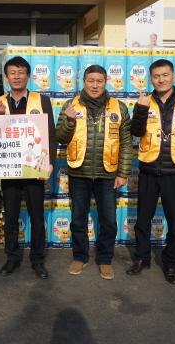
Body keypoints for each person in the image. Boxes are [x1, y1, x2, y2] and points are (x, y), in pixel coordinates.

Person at [126, 59, 175, 284]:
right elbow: (135, 132)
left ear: (174, 76)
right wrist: (141, 110)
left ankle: (171, 263)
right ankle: (142, 258)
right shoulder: (144, 101)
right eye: (156, 76)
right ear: (151, 79)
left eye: (165, 75)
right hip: (149, 171)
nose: (161, 80)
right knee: (143, 220)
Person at [56, 65, 133, 280]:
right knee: (78, 219)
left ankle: (105, 259)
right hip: (79, 172)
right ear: (84, 82)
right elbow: (60, 137)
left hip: (108, 174)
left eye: (99, 81)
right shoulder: (70, 105)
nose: (95, 85)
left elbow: (126, 142)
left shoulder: (119, 107)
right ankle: (80, 257)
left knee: (108, 221)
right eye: (91, 80)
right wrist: (69, 120)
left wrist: (123, 172)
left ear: (106, 82)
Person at [0, 56, 57, 279]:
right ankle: (12, 257)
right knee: (10, 216)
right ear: (6, 77)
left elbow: (50, 134)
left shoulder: (42, 100)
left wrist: (50, 162)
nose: (17, 76)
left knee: (37, 217)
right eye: (12, 72)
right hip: (9, 168)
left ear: (28, 76)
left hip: (34, 168)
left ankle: (38, 260)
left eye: (21, 72)